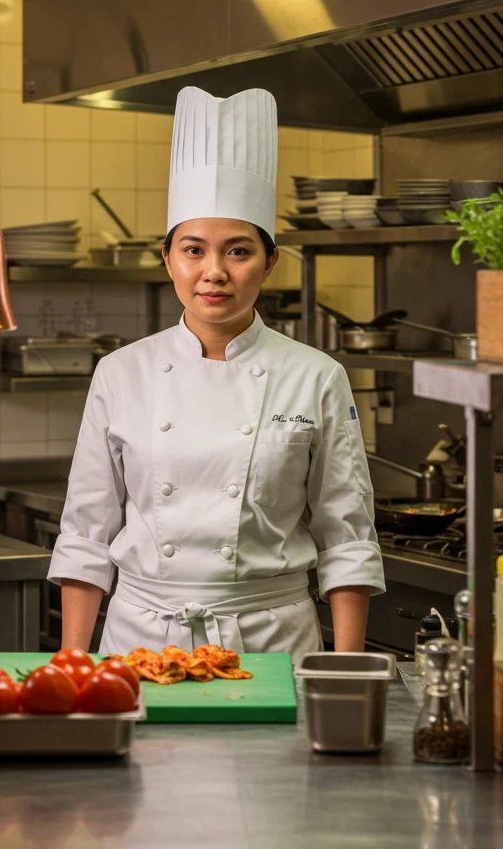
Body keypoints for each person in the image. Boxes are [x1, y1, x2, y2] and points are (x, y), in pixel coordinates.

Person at [47, 86, 386, 657]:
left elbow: (347, 536)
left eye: (238, 251)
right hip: (141, 643)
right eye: (194, 250)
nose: (214, 272)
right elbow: (85, 533)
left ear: (269, 261)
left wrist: (345, 670)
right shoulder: (120, 372)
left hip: (271, 641)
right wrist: (74, 664)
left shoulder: (316, 376)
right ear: (168, 258)